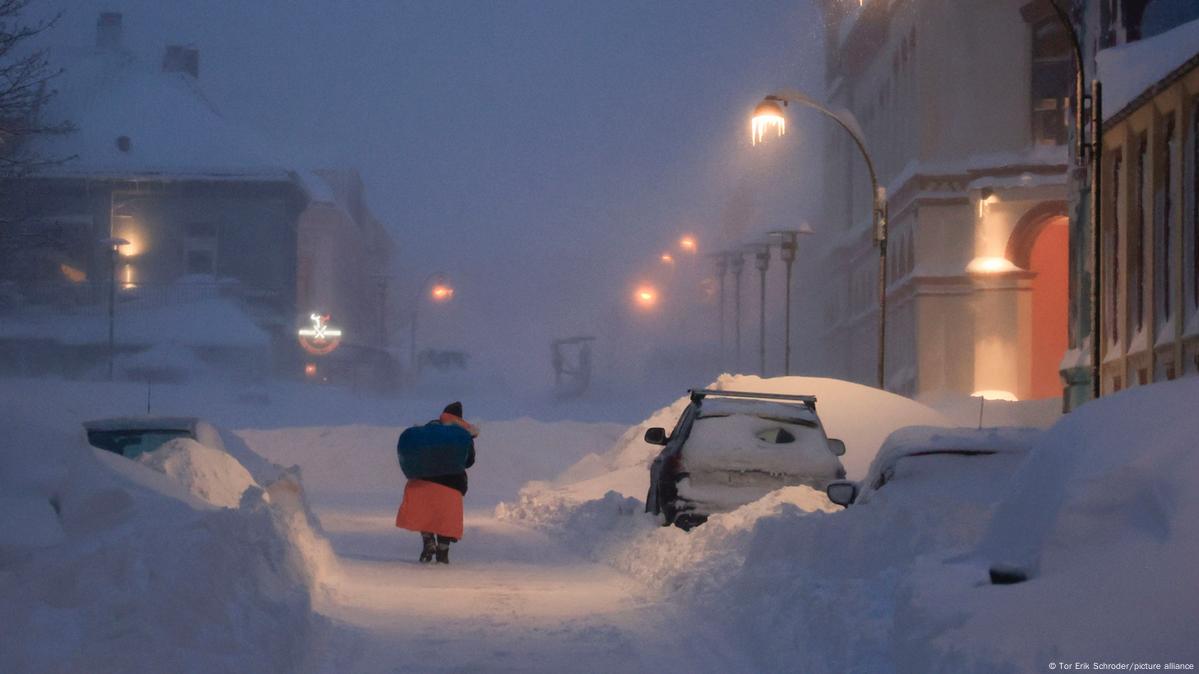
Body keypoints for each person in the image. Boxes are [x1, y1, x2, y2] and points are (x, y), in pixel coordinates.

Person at [395, 401, 478, 564]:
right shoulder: (462, 434)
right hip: (451, 483)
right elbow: (469, 461)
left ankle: (428, 541)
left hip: (422, 481)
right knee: (446, 517)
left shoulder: (428, 430)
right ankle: (442, 550)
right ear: (460, 418)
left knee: (425, 513)